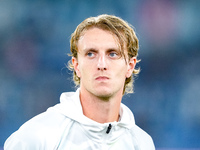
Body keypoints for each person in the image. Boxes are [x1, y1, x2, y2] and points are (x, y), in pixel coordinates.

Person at [4, 14, 155, 150]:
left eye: (112, 54)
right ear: (76, 66)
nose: (101, 64)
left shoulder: (142, 143)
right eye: (91, 54)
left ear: (130, 66)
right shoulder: (36, 138)